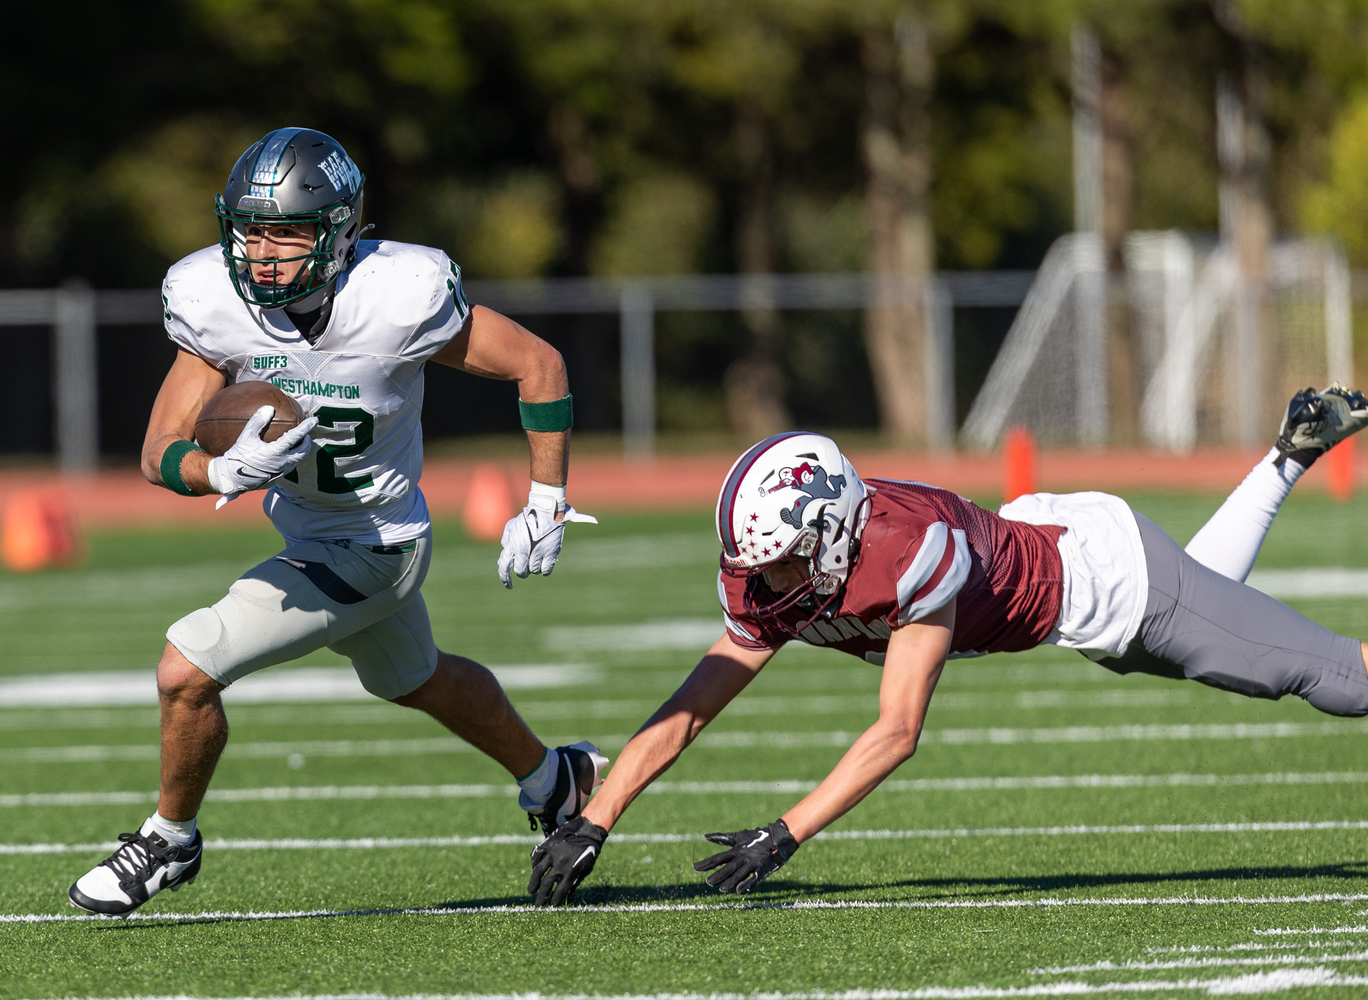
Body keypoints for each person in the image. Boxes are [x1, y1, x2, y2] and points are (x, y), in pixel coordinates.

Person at [527, 385, 1368, 906]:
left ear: (830, 535)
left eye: (781, 561)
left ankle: (1286, 460)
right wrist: (596, 821)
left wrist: (785, 834)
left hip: (1111, 581)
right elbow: (692, 707)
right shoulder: (791, 568)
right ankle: (1288, 455)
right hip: (1059, 557)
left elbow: (897, 731)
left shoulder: (907, 552)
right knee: (1212, 631)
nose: (766, 584)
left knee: (1322, 676)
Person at [68, 128, 606, 917]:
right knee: (417, 678)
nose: (265, 254)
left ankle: (169, 838)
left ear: (344, 232)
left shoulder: (400, 295)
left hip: (374, 543)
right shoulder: (214, 300)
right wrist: (215, 471)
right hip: (315, 532)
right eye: (251, 231)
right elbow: (157, 451)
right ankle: (555, 780)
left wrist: (546, 497)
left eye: (289, 232)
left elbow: (540, 364)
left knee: (187, 669)